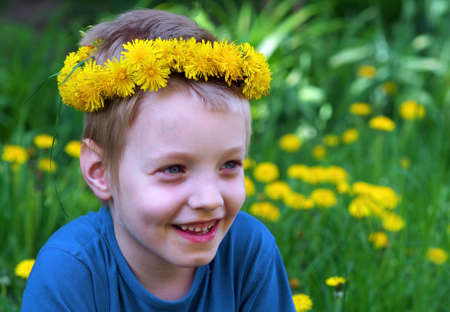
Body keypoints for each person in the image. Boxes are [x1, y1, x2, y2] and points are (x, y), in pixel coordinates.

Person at [21, 9, 295, 311]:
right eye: (174, 169)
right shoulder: (70, 271)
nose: (209, 199)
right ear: (100, 172)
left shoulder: (249, 252)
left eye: (229, 165)